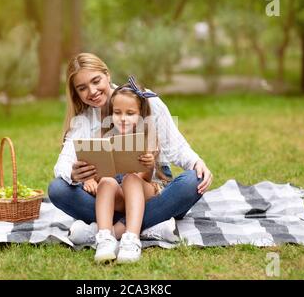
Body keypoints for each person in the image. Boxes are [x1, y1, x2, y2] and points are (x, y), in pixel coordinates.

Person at [48, 53, 213, 250]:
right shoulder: (83, 120)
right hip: (109, 193)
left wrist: (196, 162)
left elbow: (175, 146)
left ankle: (107, 231)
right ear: (76, 92)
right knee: (58, 189)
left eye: (96, 81)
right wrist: (74, 175)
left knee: (192, 181)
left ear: (107, 75)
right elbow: (63, 164)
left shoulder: (143, 99)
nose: (92, 91)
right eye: (82, 88)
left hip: (149, 187)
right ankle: (151, 224)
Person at [88, 77, 169, 263]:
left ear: (141, 114)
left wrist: (148, 165)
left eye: (130, 113)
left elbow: (146, 179)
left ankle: (131, 238)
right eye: (117, 112)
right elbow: (99, 174)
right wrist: (90, 178)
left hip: (145, 191)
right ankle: (105, 239)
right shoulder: (104, 135)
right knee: (107, 181)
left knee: (131, 179)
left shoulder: (148, 136)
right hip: (119, 196)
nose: (123, 118)